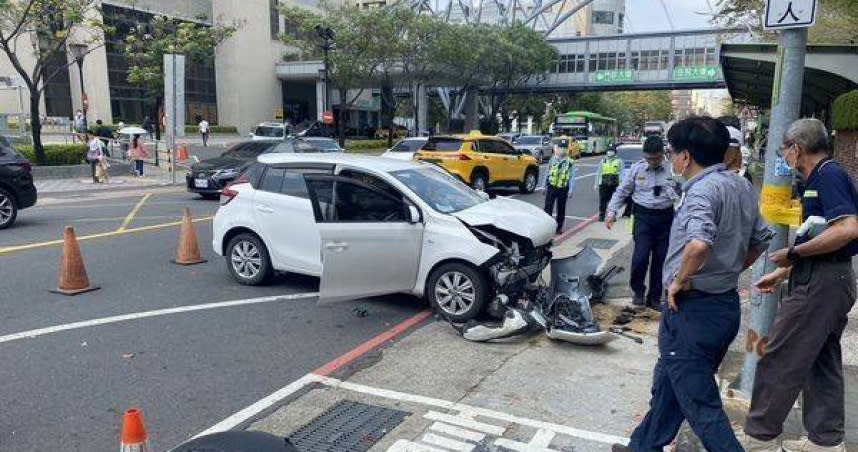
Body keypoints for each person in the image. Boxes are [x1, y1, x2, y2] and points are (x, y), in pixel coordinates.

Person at [612, 116, 772, 452]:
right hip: (721, 307)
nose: (670, 159)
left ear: (685, 157)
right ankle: (640, 447)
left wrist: (679, 281)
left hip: (691, 312)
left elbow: (699, 244)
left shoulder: (701, 191)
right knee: (669, 388)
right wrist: (730, 269)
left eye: (672, 152)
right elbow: (761, 238)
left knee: (701, 407)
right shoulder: (740, 185)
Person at [743, 119, 858, 452]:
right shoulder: (818, 177)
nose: (783, 156)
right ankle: (825, 442)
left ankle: (759, 438)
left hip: (822, 284)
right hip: (824, 279)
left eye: (784, 150)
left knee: (778, 356)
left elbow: (847, 230)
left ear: (796, 148)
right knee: (822, 361)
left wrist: (792, 252)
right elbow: (820, 234)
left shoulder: (829, 175)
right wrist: (782, 273)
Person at [604, 136, 679, 308]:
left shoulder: (672, 169)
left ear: (663, 154)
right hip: (643, 218)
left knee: (661, 260)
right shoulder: (637, 169)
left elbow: (682, 193)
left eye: (655, 158)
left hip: (665, 218)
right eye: (648, 158)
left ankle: (654, 297)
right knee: (640, 257)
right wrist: (611, 212)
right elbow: (622, 191)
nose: (652, 162)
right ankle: (638, 291)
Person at [543, 139, 577, 235]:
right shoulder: (552, 159)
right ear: (556, 148)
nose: (562, 150)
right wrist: (543, 186)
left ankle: (559, 227)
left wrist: (571, 190)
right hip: (551, 186)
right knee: (548, 208)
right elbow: (547, 172)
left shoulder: (570, 162)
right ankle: (547, 227)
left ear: (567, 149)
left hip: (563, 188)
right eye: (560, 147)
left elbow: (572, 177)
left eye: (564, 148)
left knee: (561, 209)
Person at [595, 146, 623, 221]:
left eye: (611, 151)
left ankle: (612, 216)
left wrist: (621, 184)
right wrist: (596, 184)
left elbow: (621, 173)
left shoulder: (619, 161)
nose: (610, 152)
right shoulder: (603, 160)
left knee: (613, 200)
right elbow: (599, 172)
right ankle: (602, 215)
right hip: (604, 183)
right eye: (609, 150)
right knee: (603, 200)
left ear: (615, 152)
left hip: (614, 183)